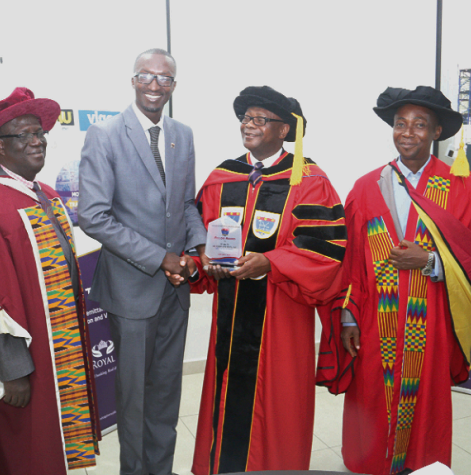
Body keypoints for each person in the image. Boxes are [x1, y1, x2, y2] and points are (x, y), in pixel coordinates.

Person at [317, 86, 471, 475]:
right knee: (371, 397)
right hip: (372, 317)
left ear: (436, 133)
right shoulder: (367, 186)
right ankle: (370, 465)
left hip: (429, 321)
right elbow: (350, 259)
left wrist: (431, 260)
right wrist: (348, 317)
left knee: (426, 402)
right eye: (401, 124)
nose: (408, 133)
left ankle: (422, 467)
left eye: (420, 125)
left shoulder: (461, 186)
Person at [189, 86, 346, 474]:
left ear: (283, 130)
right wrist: (199, 261)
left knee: (277, 402)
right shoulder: (222, 177)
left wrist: (271, 263)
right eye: (245, 118)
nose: (248, 125)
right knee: (225, 398)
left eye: (260, 119)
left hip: (281, 316)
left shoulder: (309, 180)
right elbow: (197, 234)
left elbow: (324, 250)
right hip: (229, 312)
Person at [0, 87, 100, 475]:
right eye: (24, 135)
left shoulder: (45, 195)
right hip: (23, 366)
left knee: (53, 449)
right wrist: (11, 372)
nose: (37, 141)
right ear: (0, 147)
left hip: (58, 353)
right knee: (25, 452)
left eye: (40, 133)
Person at [78, 48, 207, 475]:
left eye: (164, 78)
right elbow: (94, 216)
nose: (155, 85)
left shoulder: (182, 134)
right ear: (133, 80)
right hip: (133, 290)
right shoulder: (105, 135)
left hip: (176, 290)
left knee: (166, 394)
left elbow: (186, 203)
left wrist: (199, 246)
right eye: (146, 76)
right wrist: (161, 258)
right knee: (133, 399)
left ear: (174, 85)